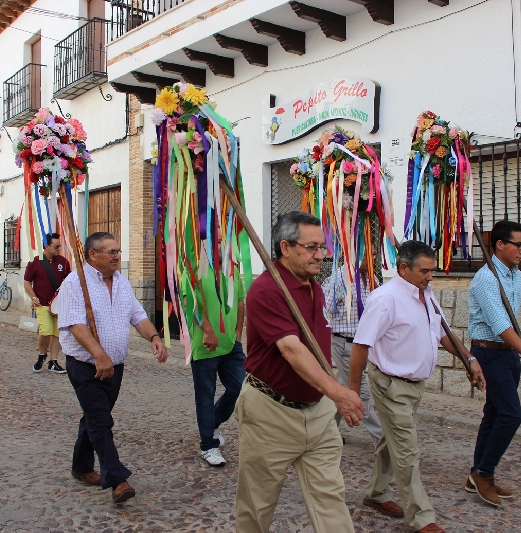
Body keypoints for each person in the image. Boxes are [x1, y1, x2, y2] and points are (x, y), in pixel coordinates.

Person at [235, 211, 364, 533]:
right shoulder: (265, 290)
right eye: (312, 247)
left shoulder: (315, 288)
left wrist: (328, 394)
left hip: (317, 413)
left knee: (330, 497)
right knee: (257, 505)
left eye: (322, 247)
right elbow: (291, 349)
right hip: (271, 413)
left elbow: (319, 346)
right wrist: (339, 393)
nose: (321, 254)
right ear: (286, 247)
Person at [349, 240, 485, 533]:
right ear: (403, 269)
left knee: (392, 442)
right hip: (389, 385)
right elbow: (361, 347)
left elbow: (442, 334)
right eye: (424, 271)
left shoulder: (427, 295)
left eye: (431, 271)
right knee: (407, 450)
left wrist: (469, 359)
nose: (429, 276)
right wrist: (350, 392)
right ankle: (422, 518)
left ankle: (374, 493)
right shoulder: (384, 299)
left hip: (414, 387)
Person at [56, 231, 167, 504]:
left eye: (118, 251)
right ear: (93, 255)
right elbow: (74, 324)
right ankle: (117, 479)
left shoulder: (121, 282)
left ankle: (81, 467)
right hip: (86, 365)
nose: (117, 256)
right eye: (111, 252)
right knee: (101, 420)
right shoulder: (76, 282)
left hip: (115, 367)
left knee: (94, 417)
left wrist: (154, 337)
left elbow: (137, 315)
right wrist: (99, 355)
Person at [466, 220, 521, 507]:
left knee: (495, 413)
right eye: (518, 245)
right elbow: (499, 324)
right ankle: (484, 473)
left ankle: (478, 472)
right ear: (500, 244)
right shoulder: (486, 278)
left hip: (507, 353)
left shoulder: (514, 275)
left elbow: (511, 318)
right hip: (489, 352)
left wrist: (518, 353)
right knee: (511, 415)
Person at [181, 245, 246, 467]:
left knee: (241, 388)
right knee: (205, 396)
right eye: (217, 241)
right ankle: (208, 445)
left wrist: (238, 332)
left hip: (231, 345)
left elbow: (239, 300)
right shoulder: (192, 270)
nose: (223, 245)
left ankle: (214, 422)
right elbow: (190, 304)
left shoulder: (232, 270)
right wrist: (207, 330)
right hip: (205, 346)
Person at [322, 261, 383, 445]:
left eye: (374, 253)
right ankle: (383, 441)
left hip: (363, 346)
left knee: (344, 387)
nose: (373, 257)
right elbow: (325, 309)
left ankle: (325, 433)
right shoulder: (339, 279)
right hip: (344, 343)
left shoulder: (373, 279)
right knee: (360, 392)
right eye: (368, 253)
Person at [24, 233, 71, 374]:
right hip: (42, 303)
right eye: (56, 246)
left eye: (59, 246)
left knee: (57, 333)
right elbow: (27, 282)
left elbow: (69, 281)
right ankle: (41, 354)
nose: (58, 249)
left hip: (59, 304)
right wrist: (33, 297)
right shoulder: (35, 261)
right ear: (46, 246)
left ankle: (53, 362)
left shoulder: (63, 262)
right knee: (45, 331)